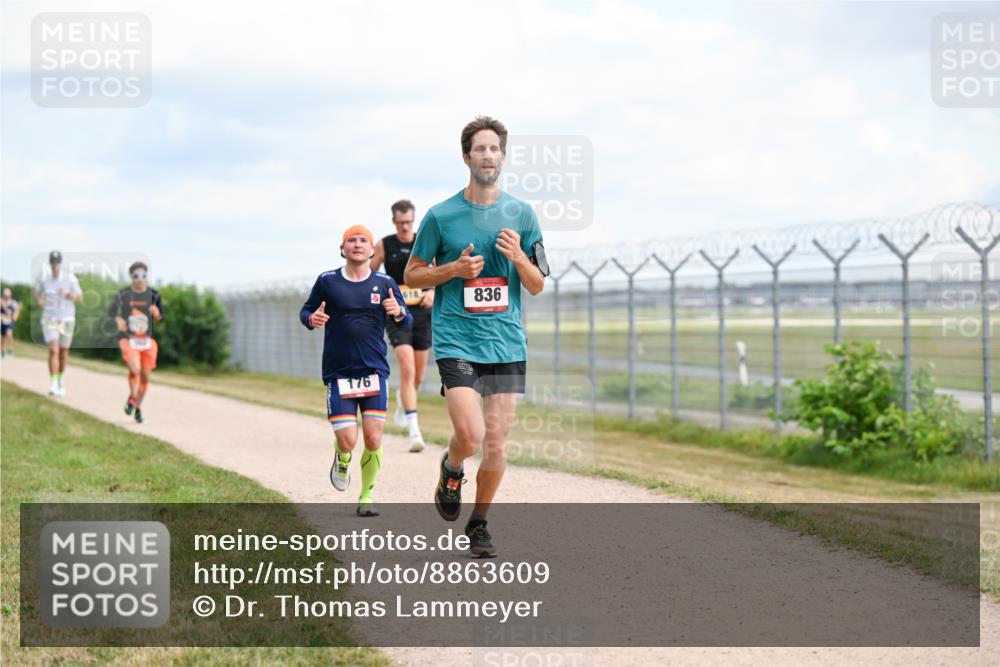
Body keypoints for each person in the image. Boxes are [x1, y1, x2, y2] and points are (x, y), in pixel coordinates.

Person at [404, 116, 548, 558]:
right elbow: (412, 273)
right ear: (466, 157)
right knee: (469, 436)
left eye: (494, 149)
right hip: (457, 341)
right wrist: (453, 270)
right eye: (479, 149)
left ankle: (479, 523)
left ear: (502, 157)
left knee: (497, 442)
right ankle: (451, 468)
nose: (488, 156)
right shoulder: (441, 216)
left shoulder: (522, 214)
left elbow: (538, 282)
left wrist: (519, 256)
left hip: (505, 342)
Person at [300, 225, 412, 517]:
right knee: (348, 439)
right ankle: (342, 457)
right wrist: (313, 317)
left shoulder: (385, 282)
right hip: (339, 374)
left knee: (374, 438)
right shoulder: (327, 281)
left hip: (375, 371)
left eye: (364, 240)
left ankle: (366, 496)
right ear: (343, 249)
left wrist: (398, 311)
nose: (358, 244)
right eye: (352, 240)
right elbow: (306, 312)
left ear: (373, 250)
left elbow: (406, 320)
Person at [371, 199, 434, 453]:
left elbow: (442, 274)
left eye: (409, 222)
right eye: (401, 222)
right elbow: (370, 275)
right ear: (394, 221)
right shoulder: (384, 245)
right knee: (407, 370)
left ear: (413, 220)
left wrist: (433, 292)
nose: (406, 227)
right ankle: (414, 431)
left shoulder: (425, 243)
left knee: (417, 376)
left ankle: (402, 401)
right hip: (397, 314)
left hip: (422, 314)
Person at [109, 262, 164, 424]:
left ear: (147, 277)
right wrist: (118, 319)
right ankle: (133, 398)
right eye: (136, 276)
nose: (140, 279)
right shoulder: (123, 295)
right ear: (131, 278)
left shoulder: (155, 295)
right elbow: (111, 312)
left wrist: (157, 314)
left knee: (145, 377)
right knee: (135, 368)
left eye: (143, 276)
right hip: (128, 338)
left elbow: (162, 318)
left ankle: (137, 407)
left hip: (147, 340)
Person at [35, 250, 83, 396]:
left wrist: (68, 295)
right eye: (53, 262)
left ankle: (61, 379)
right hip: (50, 318)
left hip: (67, 319)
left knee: (63, 352)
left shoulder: (70, 278)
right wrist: (41, 301)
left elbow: (80, 296)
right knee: (53, 349)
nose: (55, 265)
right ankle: (53, 382)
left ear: (60, 264)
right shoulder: (44, 279)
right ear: (50, 263)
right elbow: (38, 292)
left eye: (57, 263)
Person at [1, 288, 21, 357]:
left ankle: (10, 350)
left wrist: (15, 317)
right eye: (5, 295)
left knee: (9, 334)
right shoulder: (1, 302)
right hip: (2, 321)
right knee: (2, 337)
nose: (6, 296)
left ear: (10, 295)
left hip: (9, 321)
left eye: (7, 295)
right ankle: (2, 351)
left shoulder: (13, 303)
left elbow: (17, 310)